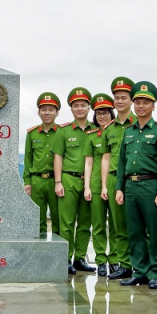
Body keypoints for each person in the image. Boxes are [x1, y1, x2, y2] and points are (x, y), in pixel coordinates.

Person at [115, 81, 157, 290]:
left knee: (154, 231)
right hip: (131, 186)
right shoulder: (128, 132)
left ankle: (155, 273)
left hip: (151, 185)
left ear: (153, 106)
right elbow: (121, 162)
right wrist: (119, 187)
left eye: (145, 102)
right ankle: (139, 271)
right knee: (135, 231)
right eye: (137, 102)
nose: (141, 106)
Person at [53, 88, 95, 275]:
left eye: (83, 105)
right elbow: (58, 157)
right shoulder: (63, 131)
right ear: (71, 109)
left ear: (89, 107)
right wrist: (58, 182)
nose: (79, 109)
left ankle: (80, 258)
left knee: (86, 222)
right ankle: (66, 258)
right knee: (67, 222)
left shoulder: (96, 130)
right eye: (76, 105)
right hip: (68, 179)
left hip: (89, 182)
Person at [101, 77, 136, 281]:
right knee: (119, 226)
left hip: (136, 180)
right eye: (117, 98)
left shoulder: (139, 124)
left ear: (131, 100)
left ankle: (141, 265)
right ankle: (124, 264)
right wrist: (105, 185)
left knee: (138, 226)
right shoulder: (109, 129)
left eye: (124, 97)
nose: (120, 101)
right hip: (114, 179)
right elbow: (106, 158)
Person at [83, 93, 115, 277]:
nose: (102, 116)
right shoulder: (92, 136)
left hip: (115, 182)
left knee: (116, 225)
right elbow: (88, 163)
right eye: (99, 113)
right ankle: (101, 260)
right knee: (98, 224)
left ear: (112, 113)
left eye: (106, 112)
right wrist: (87, 186)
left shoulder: (119, 132)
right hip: (95, 184)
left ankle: (115, 260)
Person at [23, 92, 61, 235]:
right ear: (39, 112)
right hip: (37, 181)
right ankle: (39, 247)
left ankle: (58, 247)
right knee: (37, 220)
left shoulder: (62, 132)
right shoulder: (32, 133)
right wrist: (27, 182)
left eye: (51, 110)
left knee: (58, 218)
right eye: (44, 109)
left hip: (55, 181)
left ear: (57, 113)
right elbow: (28, 159)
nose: (47, 113)